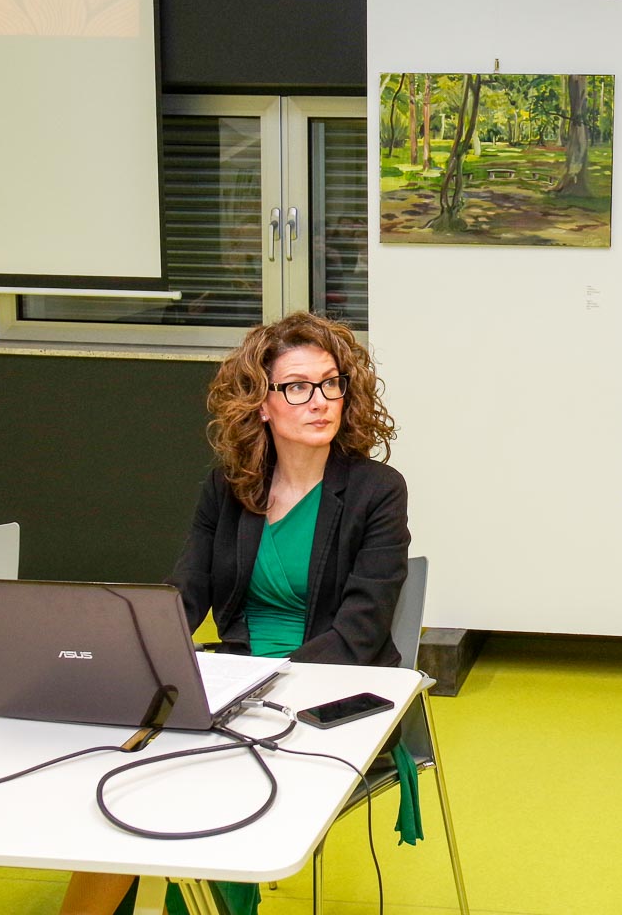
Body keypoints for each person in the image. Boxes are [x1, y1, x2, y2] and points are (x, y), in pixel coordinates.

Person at [59, 311, 408, 915]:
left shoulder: (377, 490)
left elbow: (361, 630)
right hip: (237, 681)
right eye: (296, 387)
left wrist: (263, 689)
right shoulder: (230, 485)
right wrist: (129, 652)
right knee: (124, 777)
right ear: (261, 404)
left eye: (331, 383)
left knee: (206, 786)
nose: (319, 400)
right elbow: (186, 591)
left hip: (330, 694)